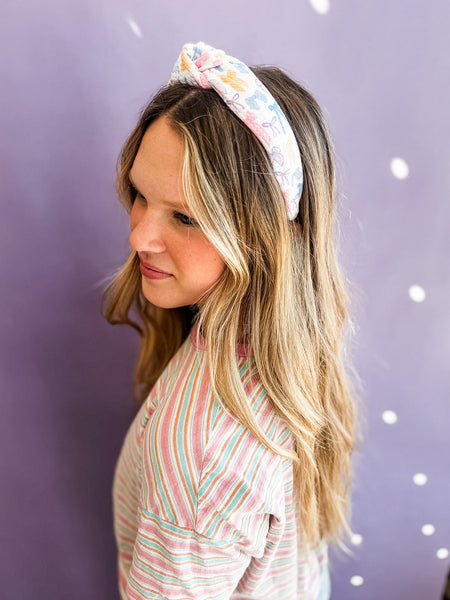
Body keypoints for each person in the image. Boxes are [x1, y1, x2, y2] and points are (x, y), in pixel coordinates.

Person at [103, 41, 359, 600]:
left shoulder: (201, 455)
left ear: (270, 238)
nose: (139, 237)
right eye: (140, 196)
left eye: (186, 218)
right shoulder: (290, 351)